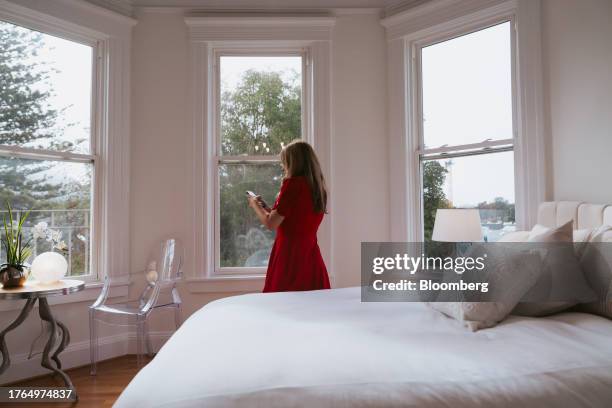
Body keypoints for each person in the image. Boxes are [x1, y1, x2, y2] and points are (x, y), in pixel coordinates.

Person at [247, 140, 331, 292]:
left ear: (294, 163)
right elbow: (295, 219)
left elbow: (271, 223)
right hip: (310, 255)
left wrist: (254, 205)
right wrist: (267, 208)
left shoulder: (293, 185)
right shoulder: (318, 188)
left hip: (289, 256)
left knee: (283, 306)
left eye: (285, 161)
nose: (283, 165)